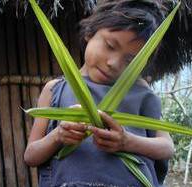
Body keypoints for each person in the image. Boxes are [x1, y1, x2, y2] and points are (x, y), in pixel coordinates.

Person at [24, 0, 175, 186]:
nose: (114, 63)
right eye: (110, 46)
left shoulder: (141, 93)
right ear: (90, 32)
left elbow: (167, 147)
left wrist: (127, 141)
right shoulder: (55, 89)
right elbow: (30, 155)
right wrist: (57, 136)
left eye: (129, 61)